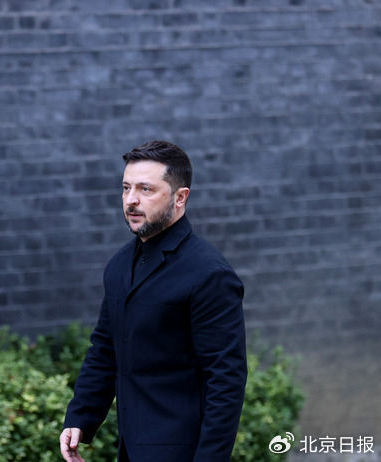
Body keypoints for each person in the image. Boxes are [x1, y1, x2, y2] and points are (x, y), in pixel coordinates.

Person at [59, 140, 247, 462]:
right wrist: (80, 417)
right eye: (126, 188)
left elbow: (225, 380)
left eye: (146, 189)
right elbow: (105, 348)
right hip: (131, 450)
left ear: (180, 197)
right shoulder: (119, 265)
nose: (131, 200)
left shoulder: (209, 273)